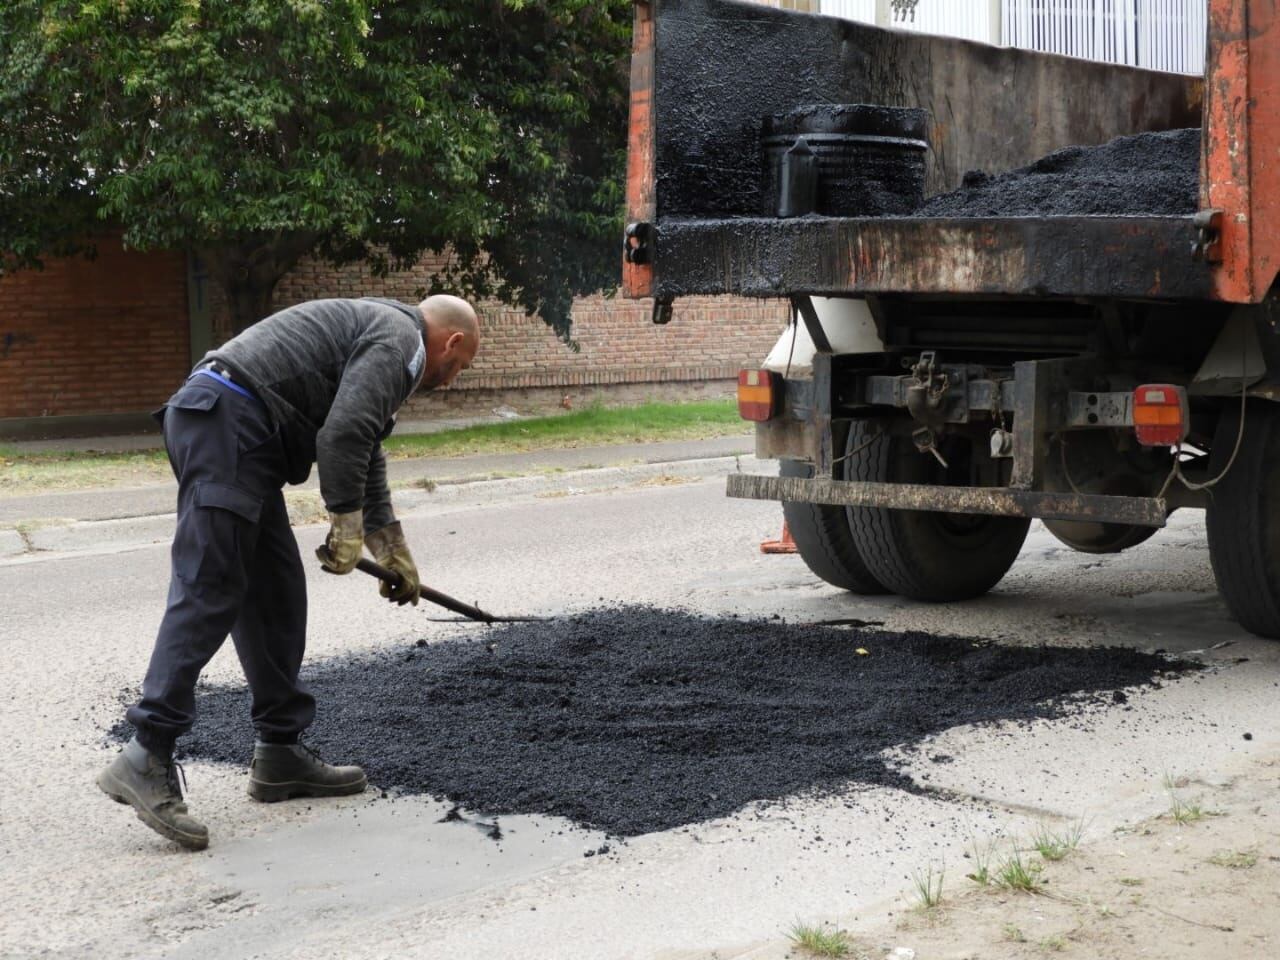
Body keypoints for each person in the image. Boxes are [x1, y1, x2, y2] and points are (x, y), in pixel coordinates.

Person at [96, 295, 481, 851]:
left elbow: (363, 440)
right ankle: (145, 751)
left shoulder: (384, 334)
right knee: (211, 587)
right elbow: (343, 434)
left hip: (239, 434)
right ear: (451, 342)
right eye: (461, 365)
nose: (454, 377)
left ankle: (279, 754)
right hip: (227, 423)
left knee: (274, 593)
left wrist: (389, 545)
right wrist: (345, 528)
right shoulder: (405, 344)